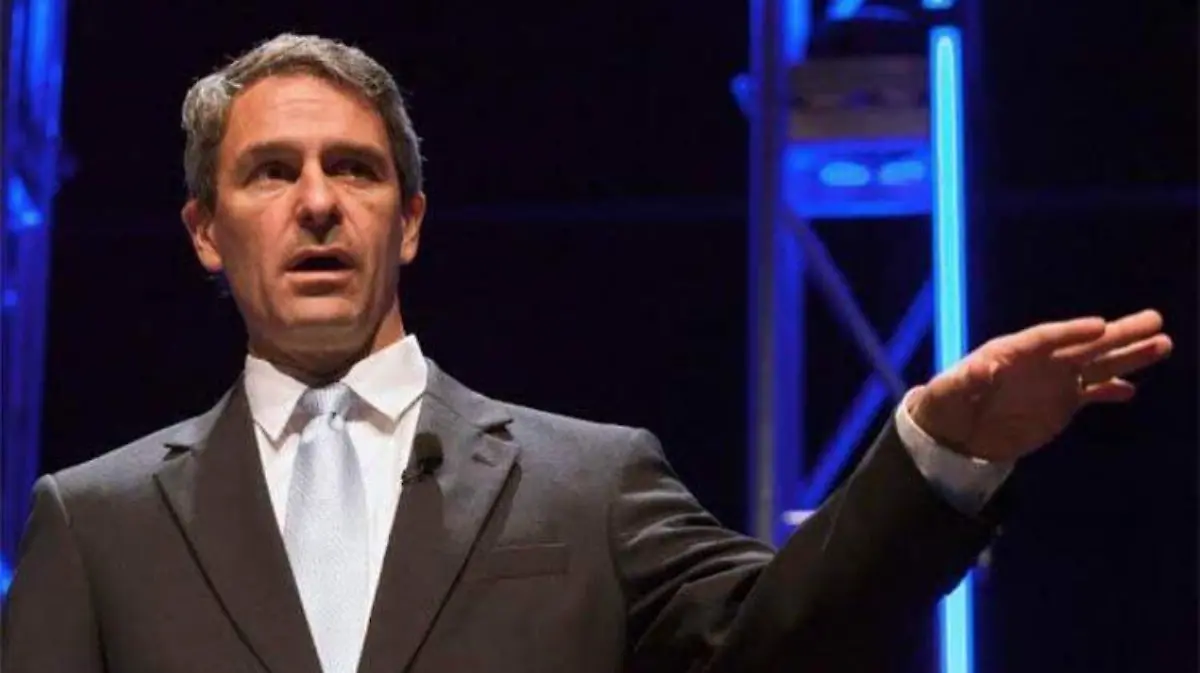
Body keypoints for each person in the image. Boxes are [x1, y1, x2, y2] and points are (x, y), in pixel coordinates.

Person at [1, 33, 1172, 673]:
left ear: (409, 222)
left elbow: (785, 639)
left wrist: (938, 454)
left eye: (354, 169)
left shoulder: (589, 483)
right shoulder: (95, 524)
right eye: (271, 172)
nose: (317, 202)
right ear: (206, 231)